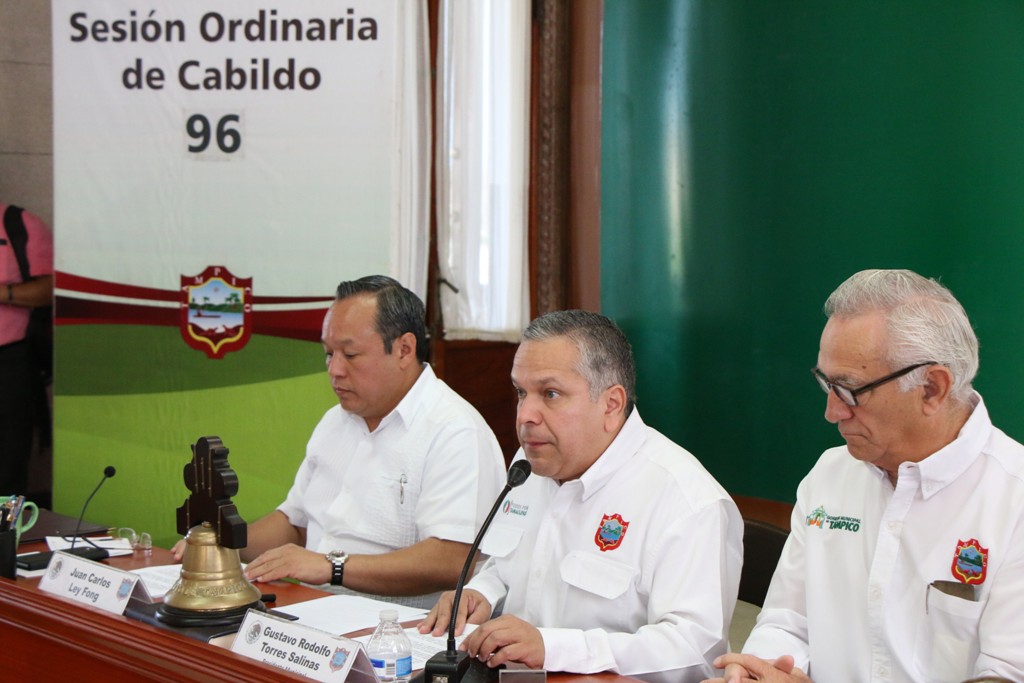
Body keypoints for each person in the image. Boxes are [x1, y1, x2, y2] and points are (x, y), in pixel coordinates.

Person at [707, 269, 1024, 683]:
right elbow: (787, 620)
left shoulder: (1013, 499)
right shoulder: (830, 474)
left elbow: (1007, 674)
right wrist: (765, 671)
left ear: (932, 387)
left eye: (850, 389)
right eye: (826, 384)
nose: (832, 412)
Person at [419, 310, 743, 682]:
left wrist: (554, 648)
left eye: (550, 394)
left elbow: (694, 652)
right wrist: (481, 594)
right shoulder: (530, 464)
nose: (525, 415)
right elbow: (507, 566)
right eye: (521, 393)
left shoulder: (686, 501)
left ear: (611, 404)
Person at [173, 275, 506, 609]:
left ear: (404, 349)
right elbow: (295, 524)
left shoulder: (454, 431)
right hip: (311, 610)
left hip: (395, 634)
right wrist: (224, 542)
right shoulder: (335, 422)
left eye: (350, 354)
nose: (335, 370)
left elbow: (451, 560)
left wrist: (332, 567)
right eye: (329, 353)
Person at [0, 203, 53, 495]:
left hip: (9, 359)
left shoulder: (17, 223)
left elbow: (50, 289)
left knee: (8, 461)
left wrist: (3, 292)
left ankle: (6, 538)